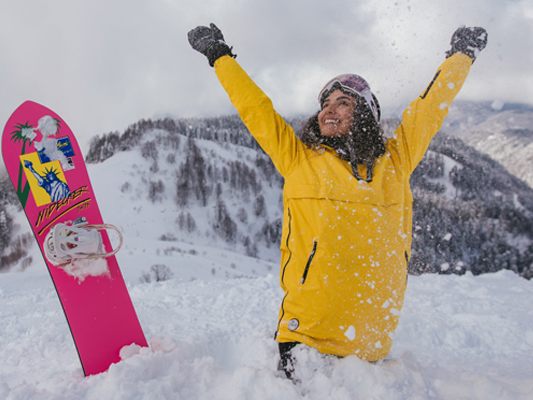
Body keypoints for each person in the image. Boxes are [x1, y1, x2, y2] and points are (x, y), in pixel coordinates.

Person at [187, 24, 487, 379]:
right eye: (325, 104)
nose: (328, 110)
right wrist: (220, 56)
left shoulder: (396, 161)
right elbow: (255, 108)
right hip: (306, 338)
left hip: (372, 348)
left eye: (342, 102)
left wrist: (461, 56)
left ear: (366, 113)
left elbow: (430, 108)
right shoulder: (299, 158)